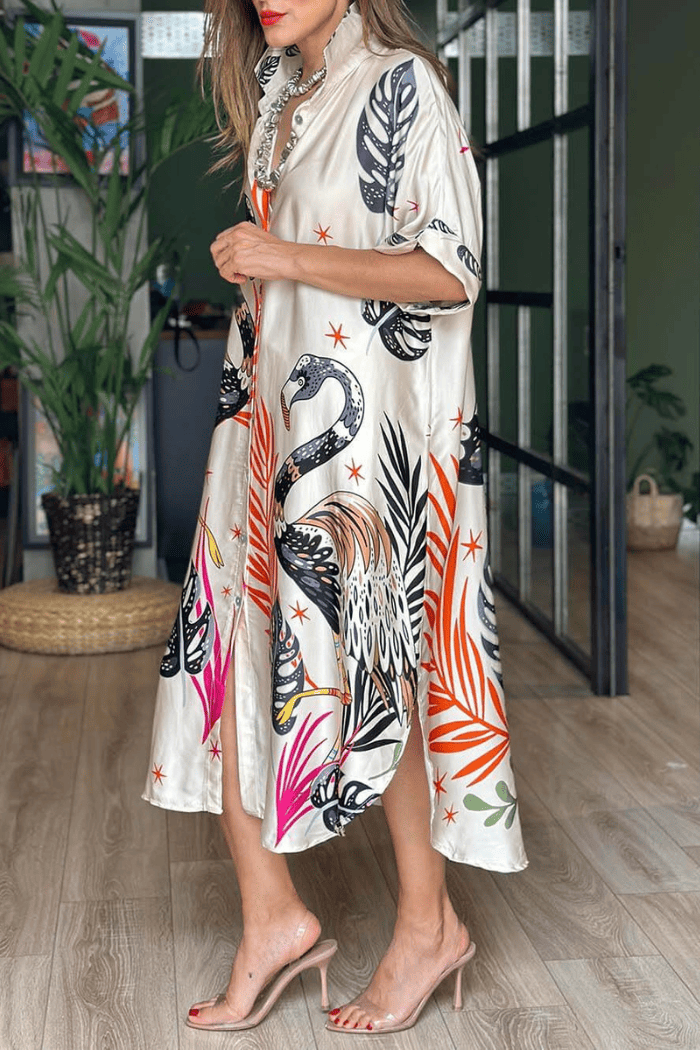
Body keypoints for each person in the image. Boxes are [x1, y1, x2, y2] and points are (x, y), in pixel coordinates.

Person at [143, 0, 527, 1035]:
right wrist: (260, 269)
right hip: (263, 411)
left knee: (371, 668)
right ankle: (271, 915)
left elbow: (449, 273)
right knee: (226, 646)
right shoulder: (282, 92)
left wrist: (286, 258)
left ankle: (427, 925)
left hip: (360, 442)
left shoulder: (401, 84)